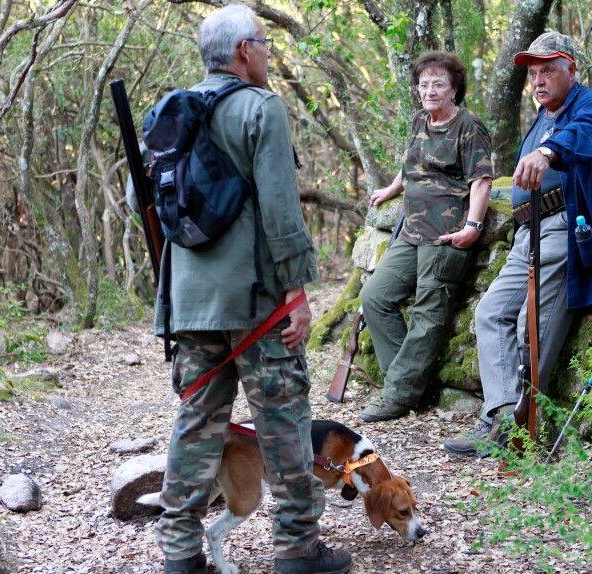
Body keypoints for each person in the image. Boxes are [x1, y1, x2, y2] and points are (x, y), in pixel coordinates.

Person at [146, 5, 351, 574]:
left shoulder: (174, 113)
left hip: (189, 301)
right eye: (263, 43)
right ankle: (296, 551)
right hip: (259, 303)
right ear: (243, 51)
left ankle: (181, 554)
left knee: (196, 425)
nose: (267, 52)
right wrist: (297, 291)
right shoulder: (261, 109)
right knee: (283, 424)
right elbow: (282, 211)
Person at [444, 31, 592, 456]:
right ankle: (506, 417)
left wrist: (546, 153)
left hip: (565, 231)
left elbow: (578, 140)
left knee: (533, 332)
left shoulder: (589, 106)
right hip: (529, 233)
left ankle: (519, 428)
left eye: (548, 70)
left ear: (571, 69)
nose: (539, 80)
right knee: (491, 313)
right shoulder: (544, 114)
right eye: (533, 73)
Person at [359, 51, 494, 422]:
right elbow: (410, 164)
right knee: (375, 296)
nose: (430, 90)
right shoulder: (420, 119)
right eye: (424, 84)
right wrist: (390, 189)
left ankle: (400, 395)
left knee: (427, 315)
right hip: (410, 232)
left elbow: (481, 180)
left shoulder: (469, 126)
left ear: (454, 89)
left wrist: (473, 227)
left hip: (446, 237)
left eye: (438, 84)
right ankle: (407, 383)